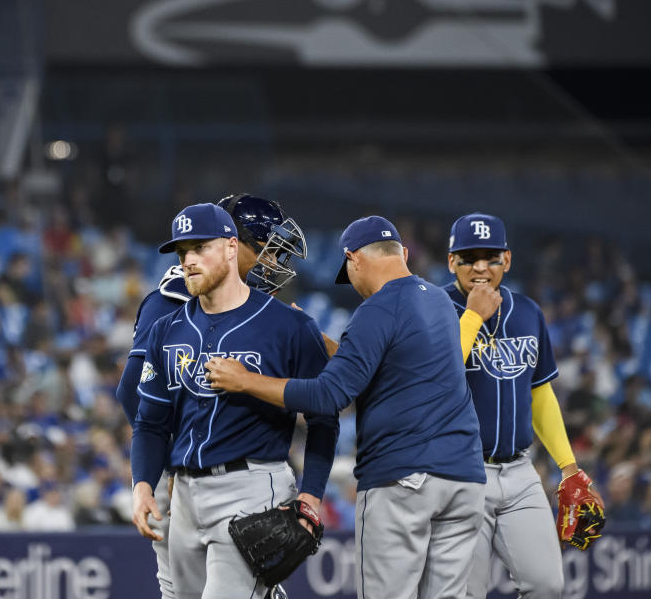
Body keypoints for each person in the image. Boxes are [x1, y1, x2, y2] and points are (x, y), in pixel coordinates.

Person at [207, 215, 488, 599]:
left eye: (349, 272)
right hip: (464, 480)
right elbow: (389, 369)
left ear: (354, 259)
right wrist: (315, 338)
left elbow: (329, 396)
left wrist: (245, 381)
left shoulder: (376, 310)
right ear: (401, 253)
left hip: (405, 479)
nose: (353, 285)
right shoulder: (438, 300)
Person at [129, 203, 337, 599]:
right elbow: (149, 423)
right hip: (185, 493)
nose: (189, 260)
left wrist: (311, 493)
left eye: (199, 248)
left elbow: (323, 417)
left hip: (253, 487)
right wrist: (141, 485)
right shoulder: (165, 329)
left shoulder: (290, 326)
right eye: (182, 252)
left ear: (229, 247)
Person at [442, 213, 603, 599]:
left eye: (491, 256)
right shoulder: (434, 309)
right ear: (452, 262)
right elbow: (439, 376)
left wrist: (568, 466)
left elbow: (540, 393)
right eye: (468, 256)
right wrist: (473, 316)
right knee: (466, 594)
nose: (480, 266)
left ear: (507, 260)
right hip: (461, 473)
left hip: (519, 471)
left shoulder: (528, 312)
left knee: (548, 585)